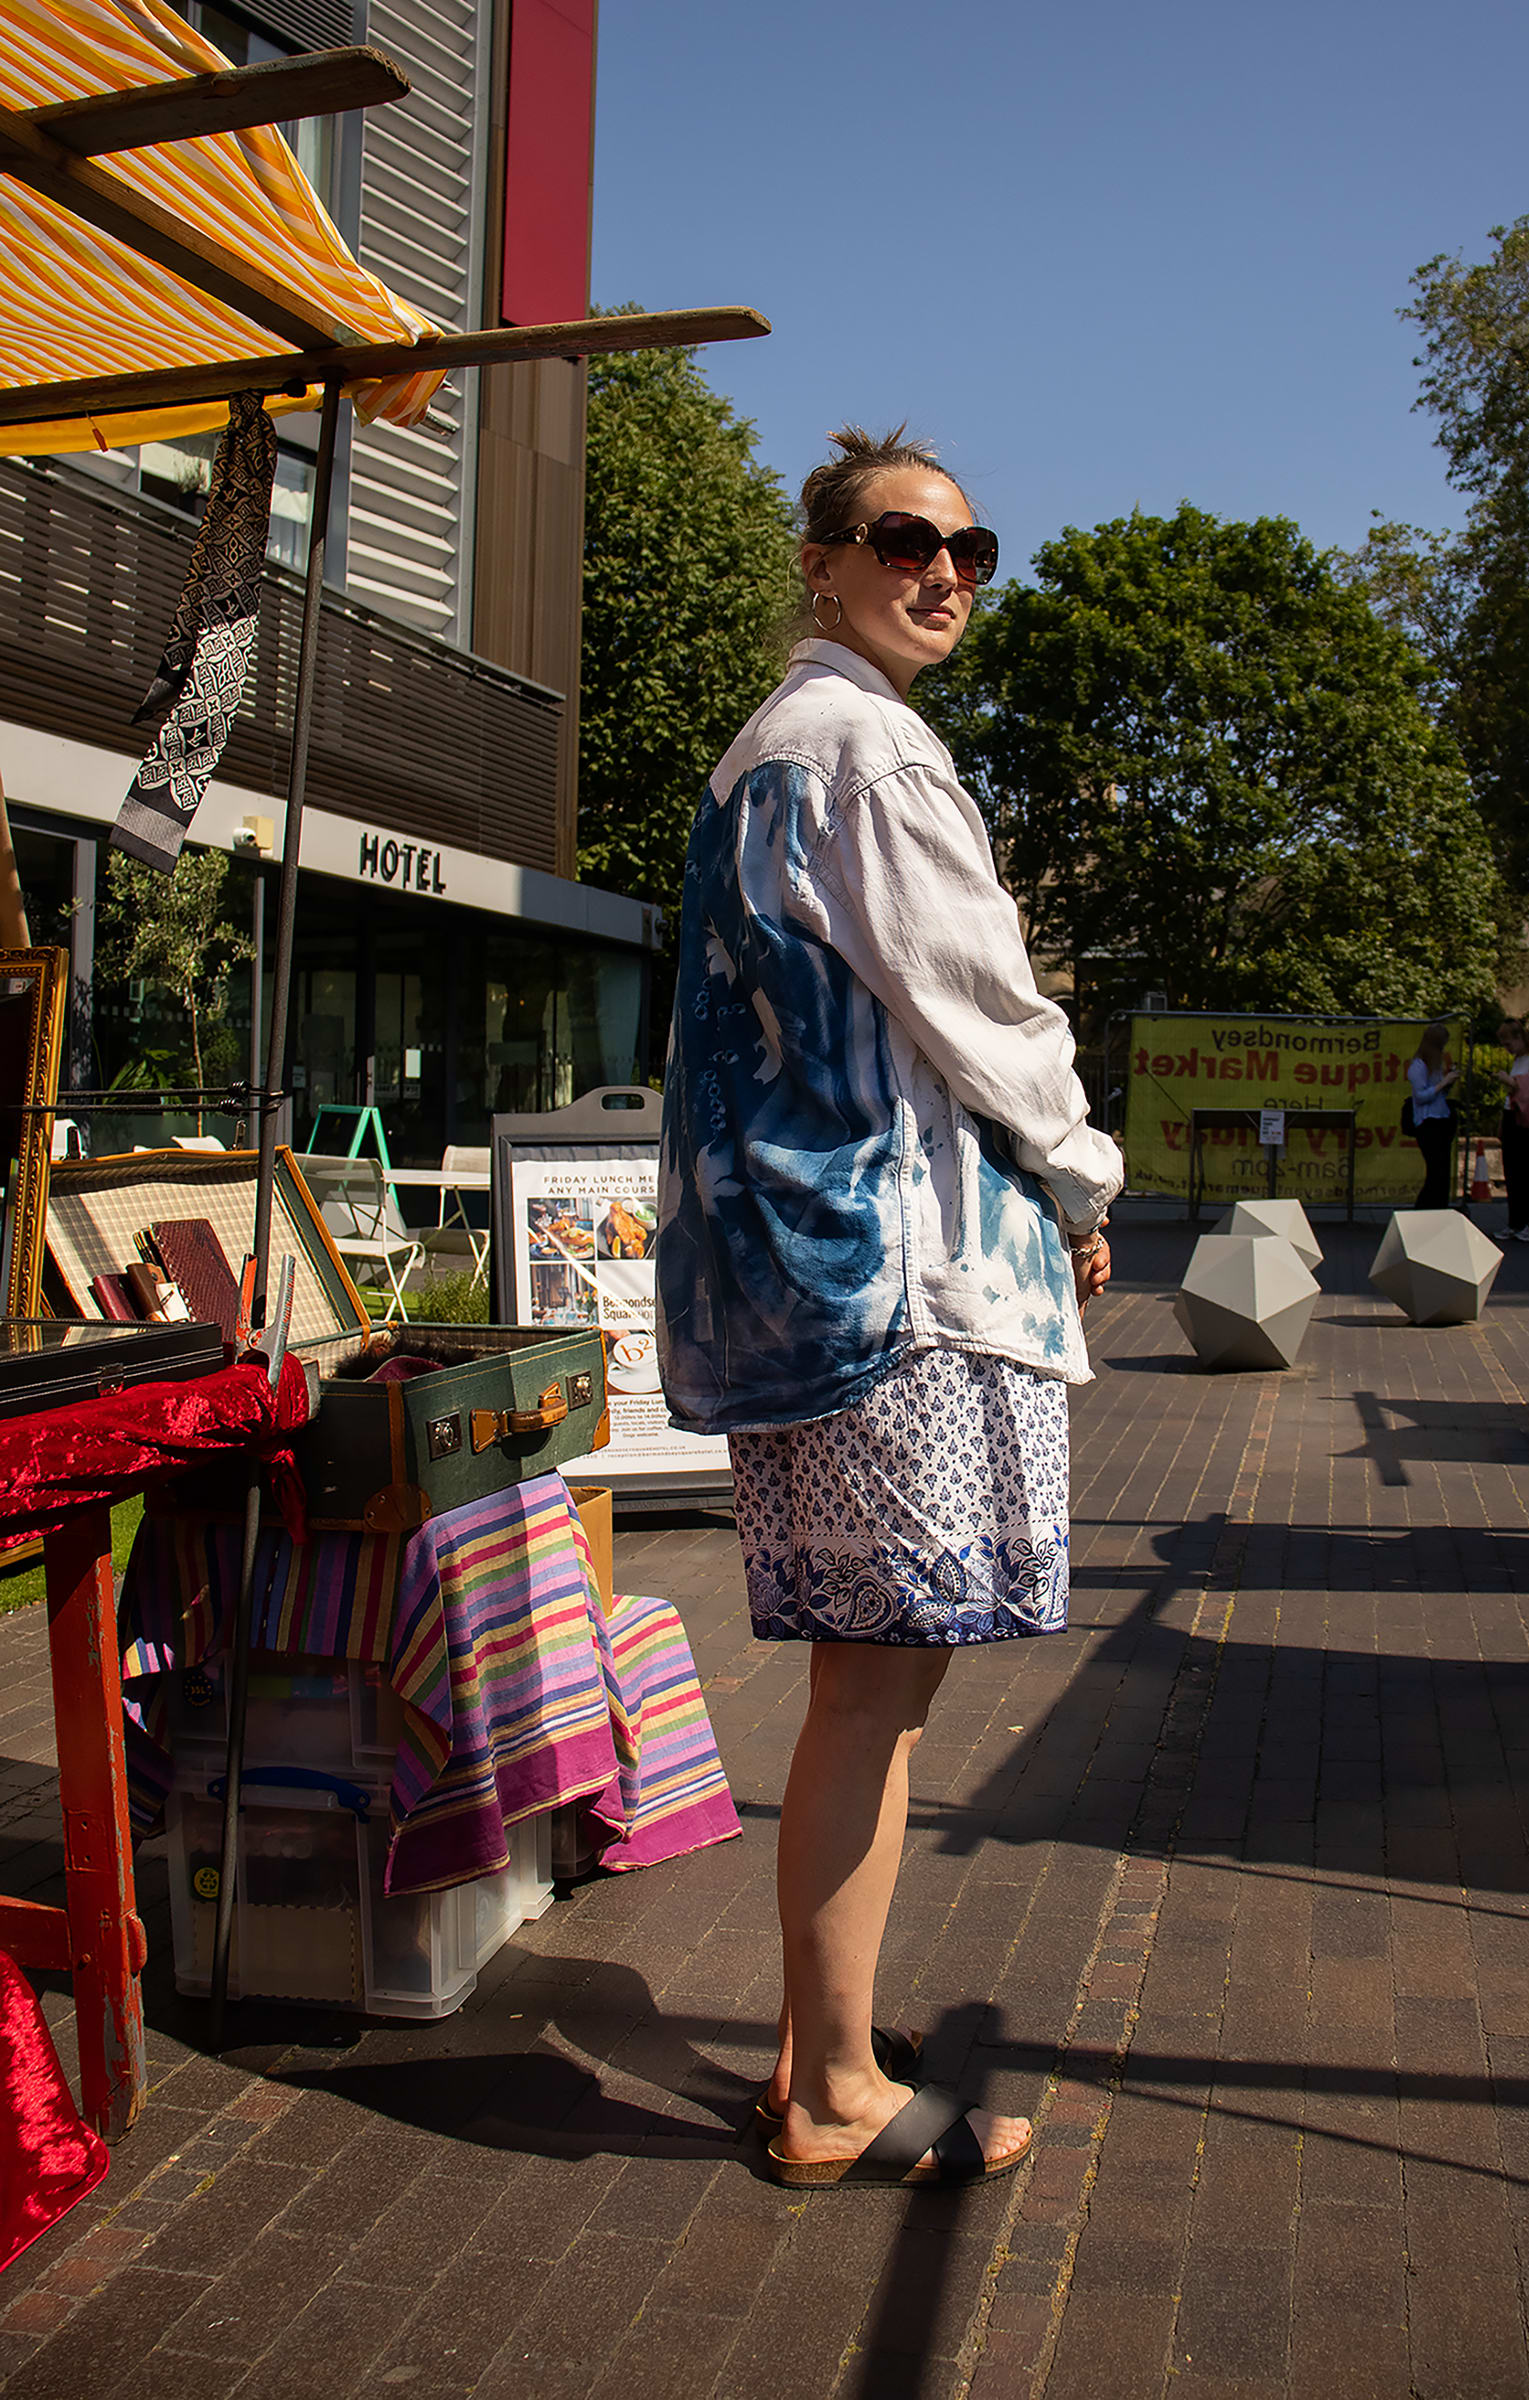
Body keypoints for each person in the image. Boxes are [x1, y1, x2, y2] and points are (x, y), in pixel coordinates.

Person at [656, 426, 1124, 2191]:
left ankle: (816, 2037)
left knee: (872, 1677)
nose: (944, 569)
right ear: (826, 563)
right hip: (891, 1281)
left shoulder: (764, 754)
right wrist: (1079, 1174)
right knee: (877, 1684)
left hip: (811, 1278)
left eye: (969, 546)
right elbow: (980, 1004)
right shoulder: (864, 748)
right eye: (905, 537)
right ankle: (835, 2091)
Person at [1493, 1018, 1529, 1243]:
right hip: (1512, 1115)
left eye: (1508, 1044)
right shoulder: (1519, 1059)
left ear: (1519, 1038)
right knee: (1512, 1172)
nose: (1507, 1049)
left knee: (1527, 1171)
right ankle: (1515, 1222)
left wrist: (1511, 1082)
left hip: (1525, 1119)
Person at [1407, 1021, 1459, 1209]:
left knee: (1443, 1171)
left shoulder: (1435, 1067)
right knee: (1435, 1171)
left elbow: (1439, 1094)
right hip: (1427, 1123)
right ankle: (1423, 1208)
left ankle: (1440, 1207)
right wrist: (1443, 1083)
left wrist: (1447, 1083)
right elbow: (1421, 1096)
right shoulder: (1418, 1066)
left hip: (1441, 1119)